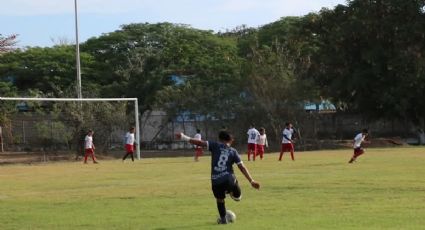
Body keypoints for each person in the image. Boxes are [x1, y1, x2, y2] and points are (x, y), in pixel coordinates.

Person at [176, 130, 260, 224]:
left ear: (220, 139)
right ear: (231, 140)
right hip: (229, 180)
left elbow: (199, 142)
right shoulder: (233, 151)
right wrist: (251, 181)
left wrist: (184, 137)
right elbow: (242, 167)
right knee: (238, 198)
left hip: (216, 181)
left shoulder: (215, 145)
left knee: (220, 200)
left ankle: (223, 219)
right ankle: (232, 192)